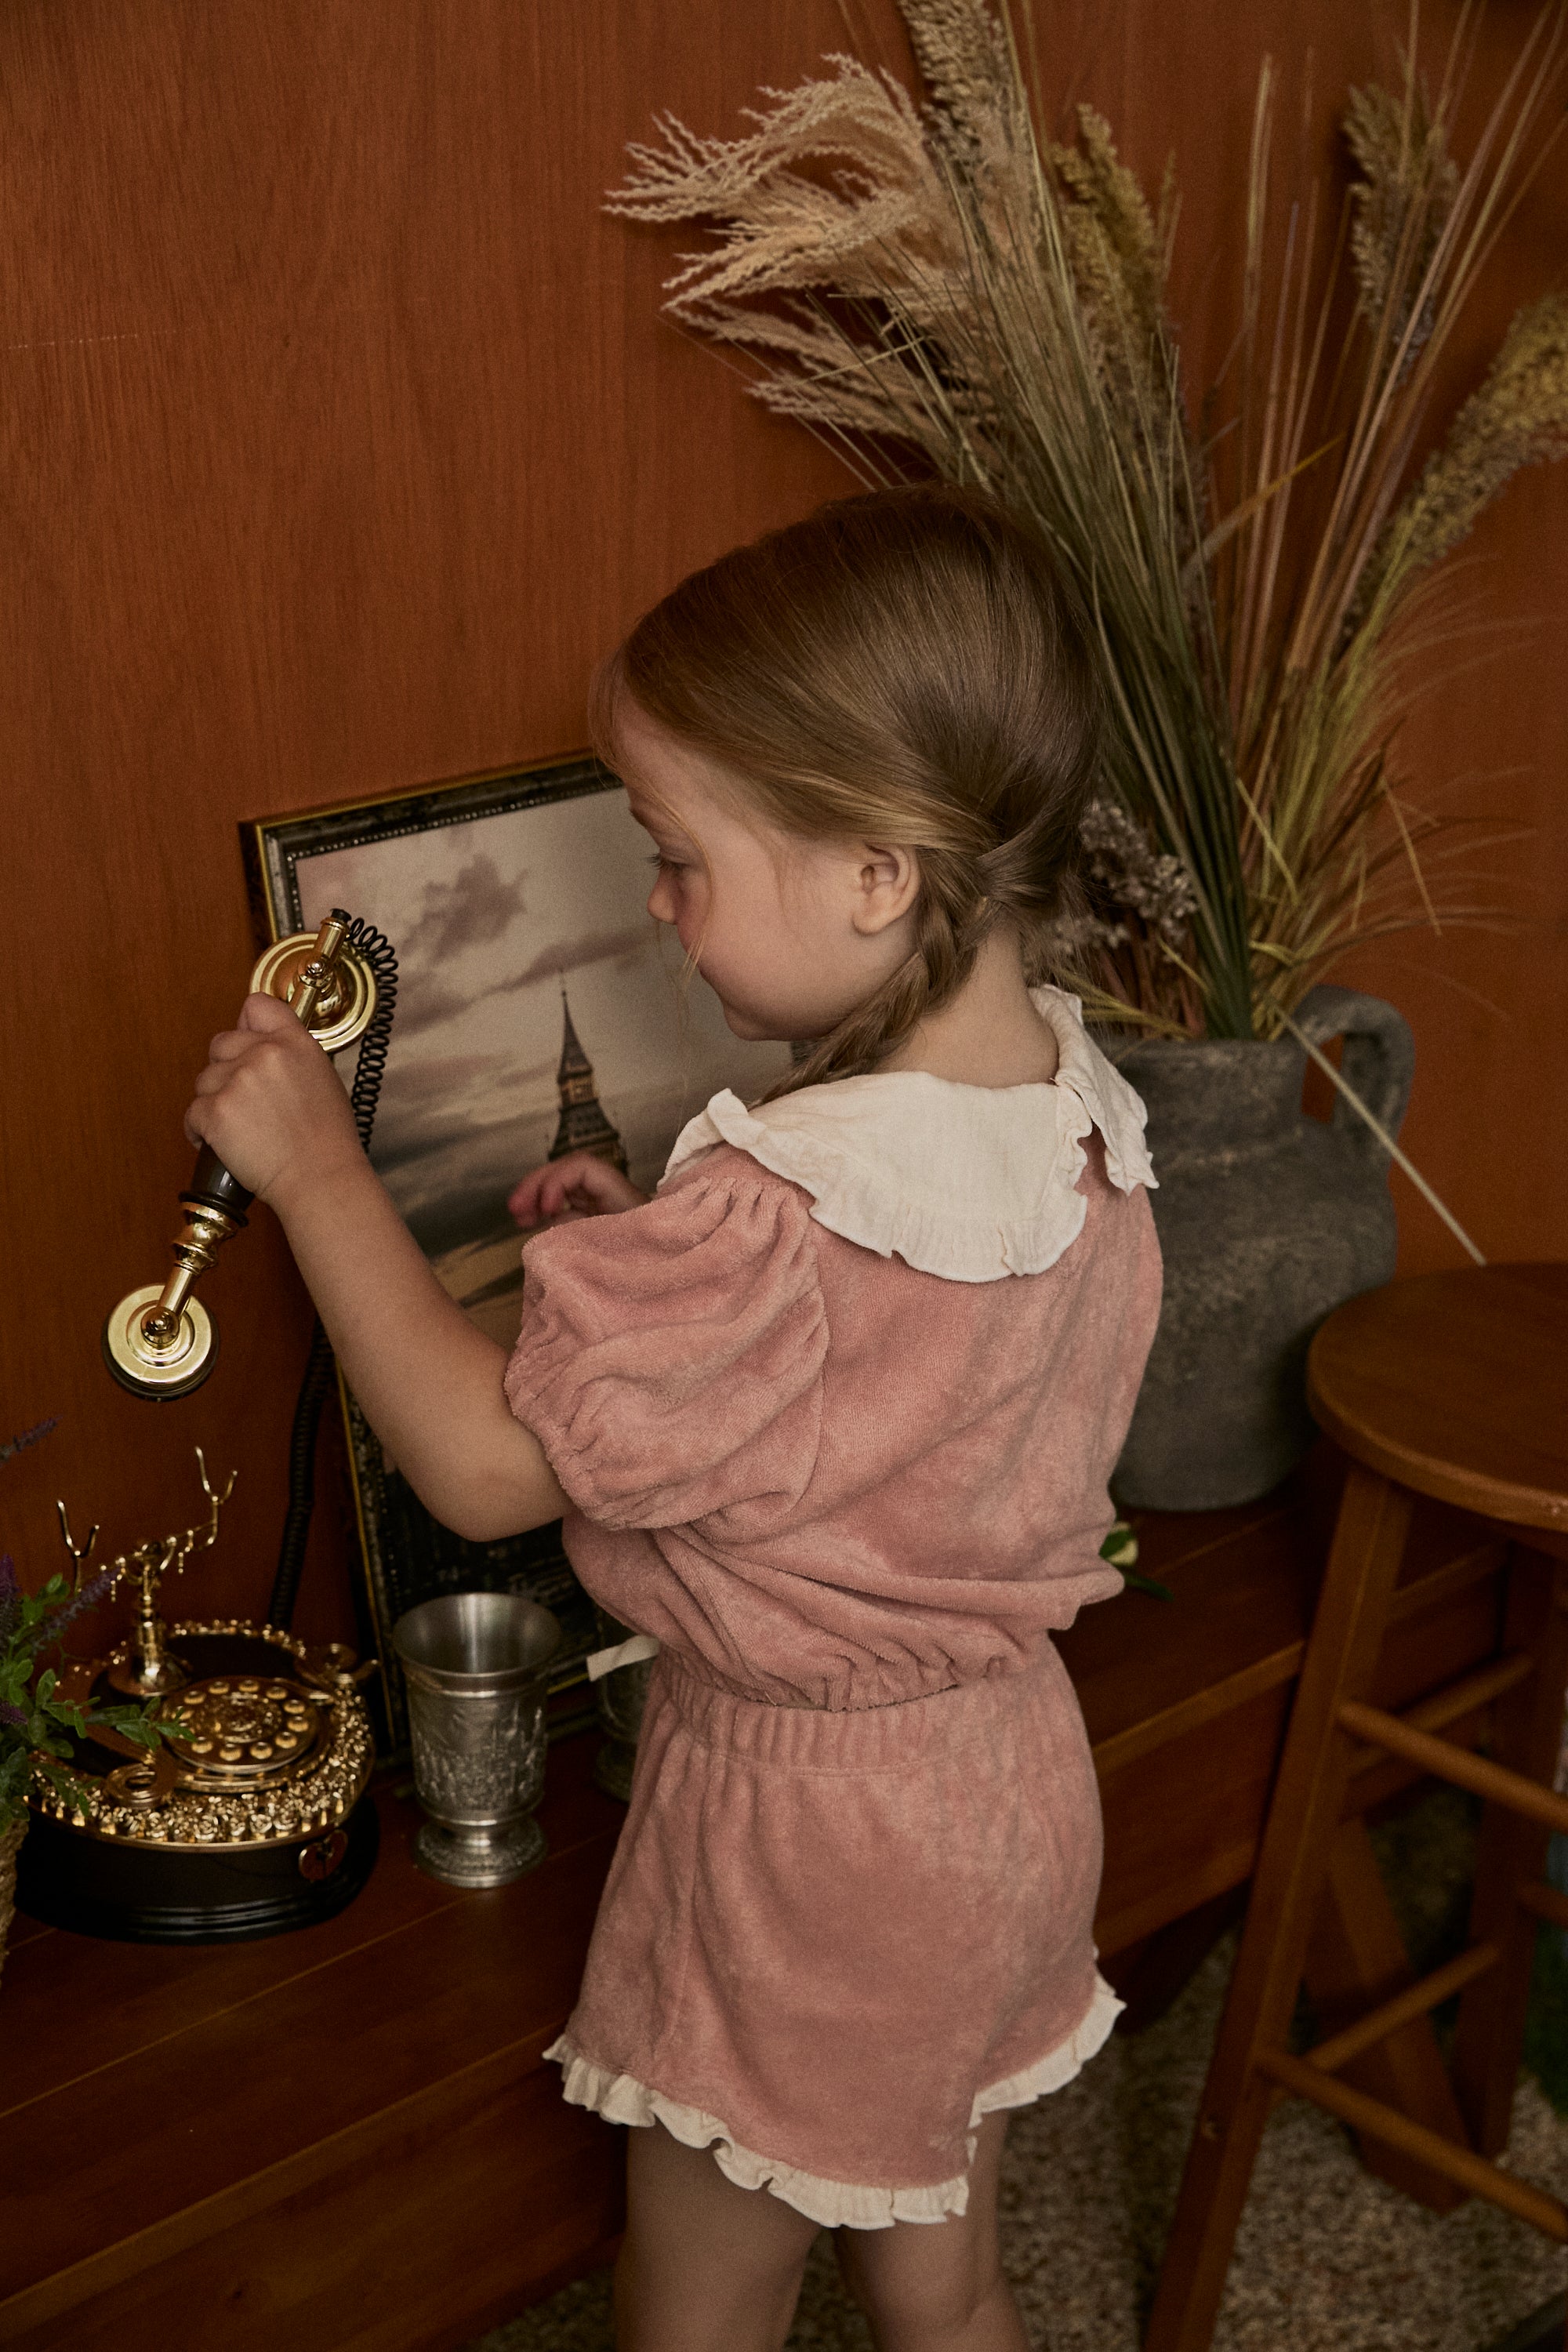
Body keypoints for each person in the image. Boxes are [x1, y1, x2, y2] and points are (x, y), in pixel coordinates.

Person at [185, 487, 1161, 2352]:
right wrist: (651, 1260)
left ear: (875, 874)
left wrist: (316, 1172)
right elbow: (892, 1395)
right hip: (1001, 1788)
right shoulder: (1073, 1113)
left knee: (700, 2309)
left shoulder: (774, 1214)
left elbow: (482, 1464)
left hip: (813, 1847)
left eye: (678, 856)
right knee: (945, 2283)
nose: (655, 904)